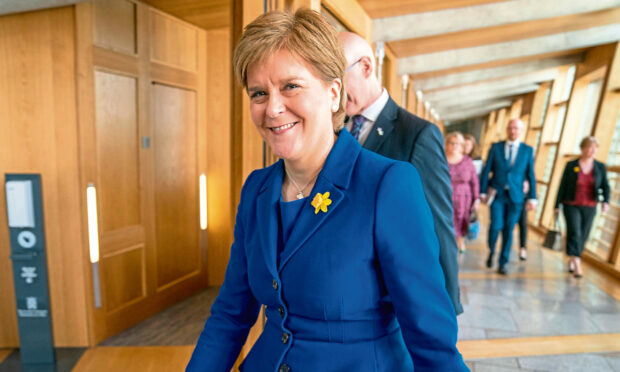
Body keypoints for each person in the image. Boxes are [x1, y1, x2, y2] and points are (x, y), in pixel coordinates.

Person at [186, 9, 468, 372]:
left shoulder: (389, 184)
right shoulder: (257, 189)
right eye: (259, 93)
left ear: (334, 92)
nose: (272, 108)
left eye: (291, 86)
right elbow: (229, 315)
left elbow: (430, 339)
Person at [339, 31, 463, 315]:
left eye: (337, 73)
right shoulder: (335, 128)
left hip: (388, 295)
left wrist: (447, 305)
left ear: (366, 67)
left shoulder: (418, 134)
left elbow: (438, 223)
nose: (332, 87)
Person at [480, 118, 537, 275]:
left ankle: (502, 262)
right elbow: (486, 171)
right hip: (497, 194)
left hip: (516, 197)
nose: (513, 131)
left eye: (516, 129)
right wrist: (482, 191)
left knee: (508, 230)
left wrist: (533, 197)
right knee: (496, 225)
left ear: (521, 131)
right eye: (510, 128)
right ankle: (492, 250)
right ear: (507, 129)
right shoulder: (495, 147)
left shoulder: (527, 150)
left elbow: (531, 174)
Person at [554, 136, 609, 278]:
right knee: (575, 232)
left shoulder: (600, 167)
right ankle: (577, 262)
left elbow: (605, 186)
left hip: (590, 205)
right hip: (571, 204)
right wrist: (556, 205)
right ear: (583, 148)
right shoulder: (571, 165)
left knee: (584, 234)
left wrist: (606, 202)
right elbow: (562, 186)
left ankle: (573, 256)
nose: (593, 150)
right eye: (590, 147)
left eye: (595, 148)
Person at [445, 132, 480, 253]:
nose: (455, 146)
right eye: (452, 143)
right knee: (446, 219)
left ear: (462, 146)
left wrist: (476, 199)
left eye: (458, 144)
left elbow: (474, 181)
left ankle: (460, 241)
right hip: (445, 196)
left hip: (463, 198)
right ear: (447, 144)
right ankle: (447, 244)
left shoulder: (467, 161)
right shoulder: (441, 159)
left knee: (461, 220)